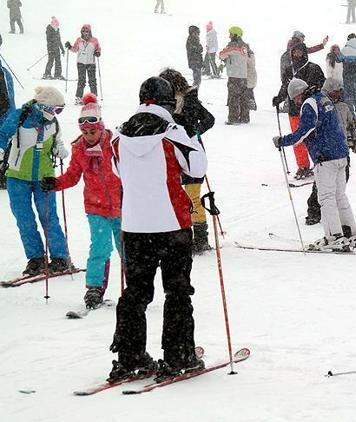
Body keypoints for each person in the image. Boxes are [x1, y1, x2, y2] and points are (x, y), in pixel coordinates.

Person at [107, 76, 207, 383]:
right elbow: (198, 168)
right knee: (177, 292)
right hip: (172, 224)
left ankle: (130, 356)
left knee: (135, 292)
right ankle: (178, 356)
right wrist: (193, 135)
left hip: (135, 226)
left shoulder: (118, 136)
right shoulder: (173, 133)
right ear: (168, 103)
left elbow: (118, 171)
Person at [40, 94, 120, 309]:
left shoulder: (115, 144)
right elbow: (73, 176)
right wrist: (55, 183)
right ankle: (95, 288)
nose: (88, 135)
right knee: (99, 248)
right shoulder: (79, 148)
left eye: (92, 131)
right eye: (84, 132)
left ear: (101, 127)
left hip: (122, 207)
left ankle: (136, 286)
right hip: (96, 207)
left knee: (127, 248)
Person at [273, 78, 356, 251]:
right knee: (339, 196)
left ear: (298, 94)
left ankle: (334, 236)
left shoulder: (309, 104)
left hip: (326, 157)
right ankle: (350, 234)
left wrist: (283, 141)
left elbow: (304, 131)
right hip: (341, 154)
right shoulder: (322, 98)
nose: (296, 102)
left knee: (326, 197)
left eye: (295, 98)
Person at [0, 86, 72, 276]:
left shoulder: (53, 123)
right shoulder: (20, 116)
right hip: (17, 176)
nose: (57, 114)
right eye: (56, 109)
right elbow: (2, 134)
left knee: (49, 216)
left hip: (44, 177)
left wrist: (60, 149)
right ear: (43, 106)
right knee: (25, 220)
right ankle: (36, 258)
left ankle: (60, 257)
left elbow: (57, 141)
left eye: (60, 110)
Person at [158, 68, 215, 254]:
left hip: (192, 153)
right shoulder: (166, 104)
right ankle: (183, 236)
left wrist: (194, 133)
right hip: (173, 154)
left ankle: (200, 238)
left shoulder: (189, 100)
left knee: (192, 197)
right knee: (178, 197)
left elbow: (209, 119)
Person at [306, 77, 356, 227]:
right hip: (327, 152)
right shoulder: (322, 105)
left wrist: (355, 140)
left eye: (340, 91)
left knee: (341, 184)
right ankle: (314, 211)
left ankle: (336, 211)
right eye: (336, 90)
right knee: (322, 185)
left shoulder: (344, 107)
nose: (339, 93)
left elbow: (351, 124)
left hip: (342, 151)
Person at [273, 43, 325, 180]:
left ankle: (321, 163)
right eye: (294, 52)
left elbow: (322, 85)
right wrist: (279, 98)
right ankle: (303, 166)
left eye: (300, 52)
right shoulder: (289, 70)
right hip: (294, 110)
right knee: (298, 139)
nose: (297, 54)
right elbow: (285, 87)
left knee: (314, 137)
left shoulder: (313, 68)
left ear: (305, 53)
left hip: (312, 108)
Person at [219, 26, 250, 125]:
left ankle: (233, 118)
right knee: (244, 98)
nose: (229, 36)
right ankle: (245, 118)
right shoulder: (245, 46)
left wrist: (223, 55)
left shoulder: (232, 45)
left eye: (231, 34)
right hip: (243, 76)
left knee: (233, 98)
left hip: (234, 76)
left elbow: (222, 55)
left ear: (235, 34)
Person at [65, 24, 101, 105]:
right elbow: (75, 49)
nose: (85, 33)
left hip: (91, 63)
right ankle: (78, 98)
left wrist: (98, 53)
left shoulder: (95, 40)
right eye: (84, 31)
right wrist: (69, 46)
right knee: (81, 81)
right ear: (81, 31)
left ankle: (94, 98)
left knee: (92, 81)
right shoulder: (79, 40)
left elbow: (98, 49)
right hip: (81, 62)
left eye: (87, 31)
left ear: (90, 32)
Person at [0, 54, 16, 190]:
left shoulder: (5, 74)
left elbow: (9, 100)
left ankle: (3, 175)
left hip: (4, 115)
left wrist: (12, 119)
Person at [341, 34, 356, 125]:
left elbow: (338, 59)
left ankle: (352, 118)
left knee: (348, 98)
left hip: (347, 76)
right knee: (355, 97)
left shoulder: (345, 50)